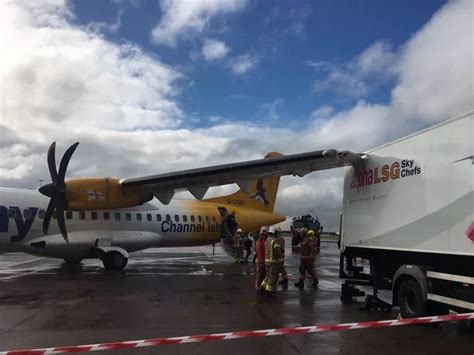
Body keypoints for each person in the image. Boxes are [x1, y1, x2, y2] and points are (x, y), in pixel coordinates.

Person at [260, 226, 282, 298]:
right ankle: (269, 292)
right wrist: (281, 257)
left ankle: (262, 286)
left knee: (268, 275)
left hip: (267, 261)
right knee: (273, 277)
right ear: (275, 232)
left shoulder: (267, 240)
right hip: (274, 262)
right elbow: (278, 251)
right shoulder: (275, 240)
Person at [254, 226, 268, 294]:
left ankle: (260, 287)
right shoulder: (261, 241)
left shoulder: (260, 240)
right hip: (261, 261)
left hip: (260, 260)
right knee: (261, 275)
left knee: (261, 275)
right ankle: (259, 287)